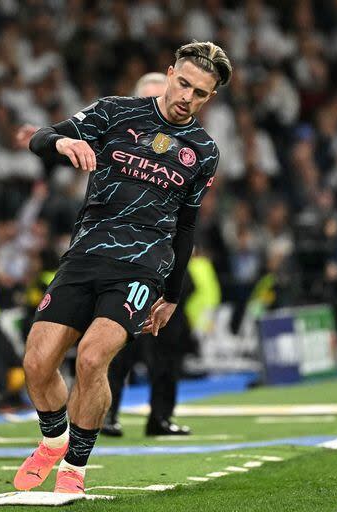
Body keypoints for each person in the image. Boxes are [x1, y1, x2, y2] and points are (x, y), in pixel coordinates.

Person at [13, 41, 232, 494]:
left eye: (201, 93)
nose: (187, 97)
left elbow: (186, 227)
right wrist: (63, 140)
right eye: (184, 83)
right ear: (169, 73)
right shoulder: (114, 112)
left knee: (93, 358)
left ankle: (75, 467)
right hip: (85, 255)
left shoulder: (204, 151)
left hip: (142, 267)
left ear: (210, 98)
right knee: (37, 363)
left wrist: (172, 295)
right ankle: (53, 439)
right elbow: (40, 140)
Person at [99, 71, 194, 438]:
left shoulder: (190, 155)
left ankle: (161, 417)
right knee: (114, 342)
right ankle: (105, 413)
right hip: (122, 259)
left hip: (165, 261)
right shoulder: (119, 144)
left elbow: (189, 216)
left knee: (168, 346)